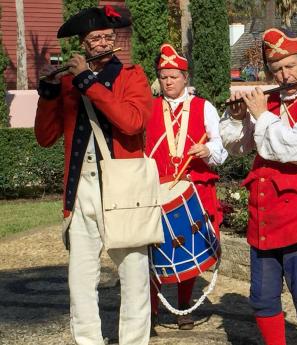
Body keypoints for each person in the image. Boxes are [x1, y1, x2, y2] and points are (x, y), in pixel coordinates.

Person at [34, 5, 153, 345]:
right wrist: (49, 93)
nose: (101, 43)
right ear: (83, 44)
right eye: (93, 39)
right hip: (81, 190)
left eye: (106, 37)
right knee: (80, 280)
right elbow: (45, 138)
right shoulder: (70, 82)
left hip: (123, 190)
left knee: (134, 277)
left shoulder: (132, 75)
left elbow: (132, 122)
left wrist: (89, 81)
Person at [219, 28, 297, 345]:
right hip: (264, 213)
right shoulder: (269, 103)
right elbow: (239, 147)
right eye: (276, 70)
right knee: (262, 295)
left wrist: (260, 115)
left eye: (290, 66)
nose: (284, 75)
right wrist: (237, 118)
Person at [145, 43, 228, 331]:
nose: (168, 82)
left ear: (185, 77)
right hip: (157, 190)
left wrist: (208, 152)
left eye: (173, 76)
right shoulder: (149, 107)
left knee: (187, 246)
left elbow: (221, 146)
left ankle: (183, 307)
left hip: (194, 189)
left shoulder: (205, 108)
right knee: (151, 249)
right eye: (163, 76)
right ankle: (151, 309)